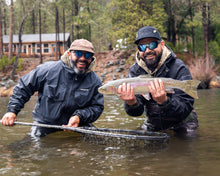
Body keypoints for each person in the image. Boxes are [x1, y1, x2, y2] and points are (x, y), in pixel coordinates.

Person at [1, 39, 104, 138]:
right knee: (27, 148)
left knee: (98, 145)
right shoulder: (48, 70)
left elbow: (97, 107)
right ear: (69, 54)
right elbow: (23, 87)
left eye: (87, 55)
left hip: (77, 125)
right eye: (78, 54)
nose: (82, 58)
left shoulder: (95, 82)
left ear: (91, 58)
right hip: (44, 124)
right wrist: (12, 111)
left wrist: (79, 117)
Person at [117, 26, 198, 137]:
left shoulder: (178, 67)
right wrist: (132, 103)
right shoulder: (135, 71)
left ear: (162, 44)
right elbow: (136, 112)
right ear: (138, 50)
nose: (147, 50)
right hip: (154, 124)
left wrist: (165, 102)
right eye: (142, 47)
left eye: (152, 45)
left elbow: (185, 108)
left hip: (182, 123)